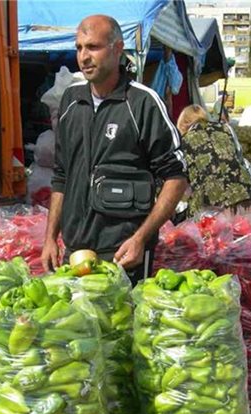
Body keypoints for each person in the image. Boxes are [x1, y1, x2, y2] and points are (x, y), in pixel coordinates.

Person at [41, 15, 188, 284]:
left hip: (123, 254)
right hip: (75, 252)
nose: (84, 56)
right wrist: (50, 238)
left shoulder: (143, 103)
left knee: (122, 325)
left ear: (118, 48)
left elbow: (176, 178)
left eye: (93, 47)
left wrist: (141, 238)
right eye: (79, 47)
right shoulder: (71, 103)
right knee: (77, 325)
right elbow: (61, 176)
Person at [176, 104, 251, 216]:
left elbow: (181, 176)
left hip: (211, 200)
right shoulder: (226, 128)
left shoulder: (184, 141)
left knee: (218, 233)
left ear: (183, 122)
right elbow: (239, 156)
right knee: (246, 231)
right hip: (244, 192)